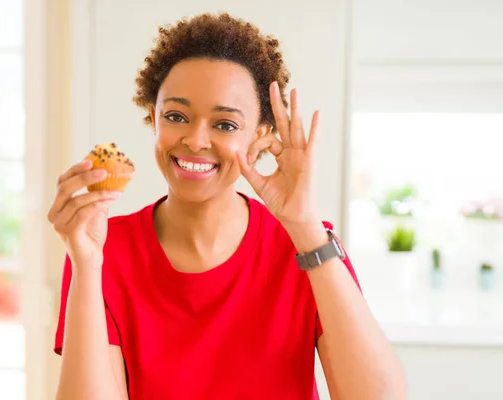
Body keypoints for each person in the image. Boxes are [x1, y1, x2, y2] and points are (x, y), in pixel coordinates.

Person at [49, 12, 406, 400]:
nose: (196, 139)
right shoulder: (102, 250)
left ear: (261, 135)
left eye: (225, 124)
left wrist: (303, 225)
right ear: (153, 117)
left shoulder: (308, 248)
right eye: (175, 116)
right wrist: (86, 265)